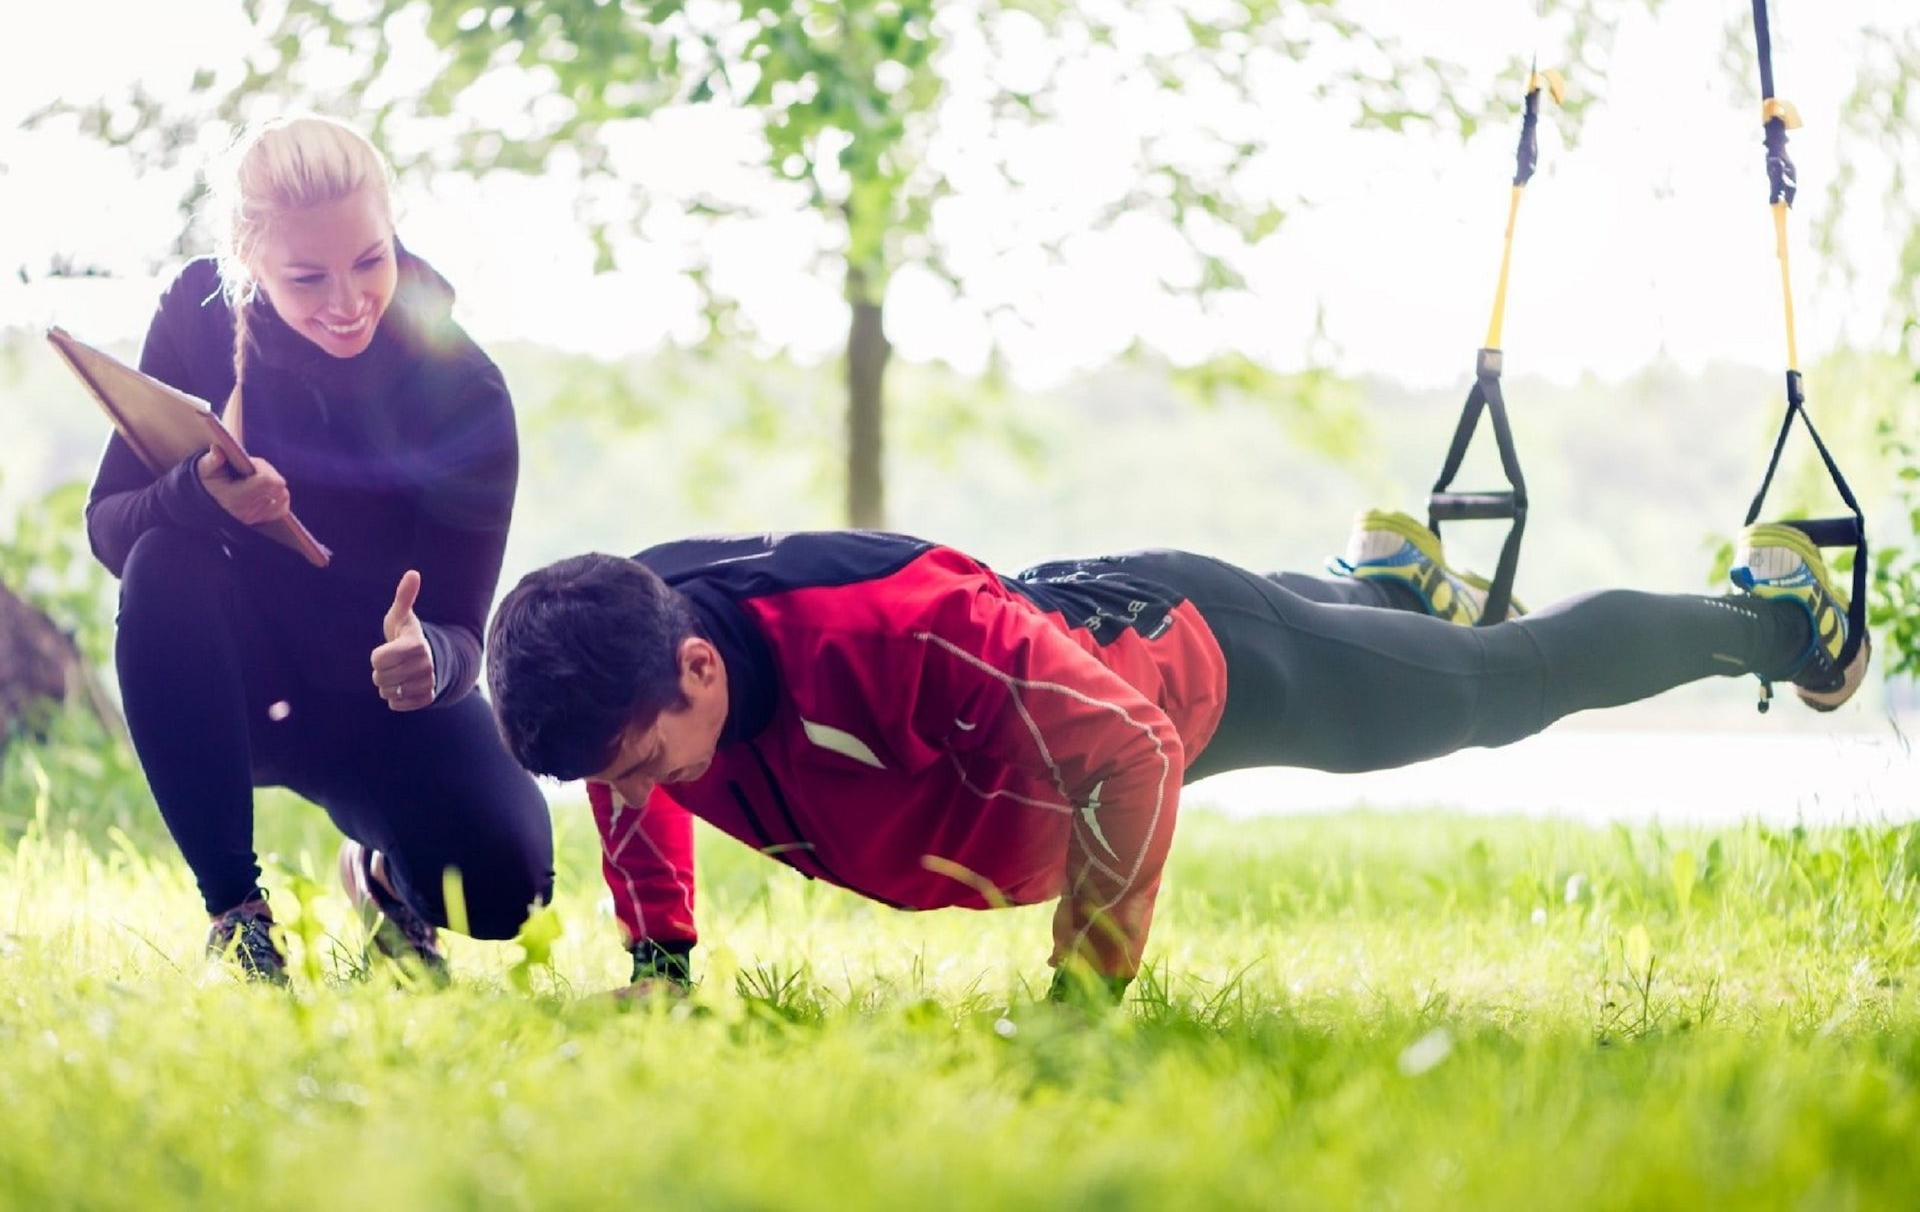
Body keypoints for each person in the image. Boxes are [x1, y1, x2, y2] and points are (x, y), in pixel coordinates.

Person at [484, 511, 1869, 1002]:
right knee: (1356, 632)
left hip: (1197, 666)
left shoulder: (895, 632)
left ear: (700, 668)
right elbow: (628, 781)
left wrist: (1086, 997)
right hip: (1078, 619)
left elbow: (1133, 751)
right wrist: (661, 964)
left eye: (638, 761)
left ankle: (1776, 614)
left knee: (1497, 688)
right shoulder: (637, 653)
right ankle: (1388, 577)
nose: (638, 798)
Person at [85, 116, 554, 984]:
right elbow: (110, 524)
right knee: (165, 557)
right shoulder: (197, 317)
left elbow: (459, 626)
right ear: (248, 263)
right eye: (307, 277)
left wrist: (432, 660)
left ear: (393, 234)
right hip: (233, 685)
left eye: (370, 261)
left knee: (508, 885)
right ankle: (238, 916)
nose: (347, 301)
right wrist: (197, 490)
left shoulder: (462, 385)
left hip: (380, 698)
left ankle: (384, 883)